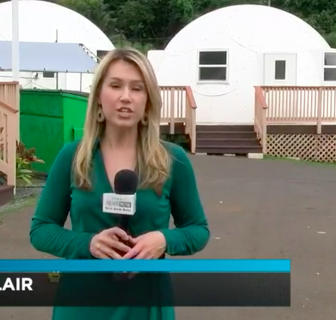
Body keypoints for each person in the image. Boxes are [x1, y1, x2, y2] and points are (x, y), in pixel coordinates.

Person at [30, 47, 210, 320]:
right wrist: (88, 244)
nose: (125, 97)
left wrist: (164, 239)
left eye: (137, 88)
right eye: (115, 86)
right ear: (99, 97)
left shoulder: (173, 160)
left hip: (147, 304)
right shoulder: (73, 157)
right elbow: (41, 230)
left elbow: (198, 230)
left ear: (147, 101)